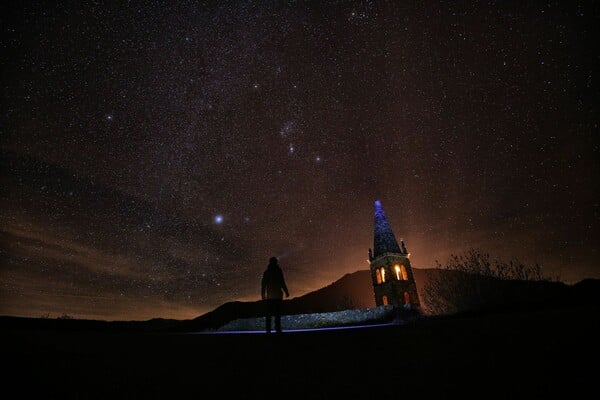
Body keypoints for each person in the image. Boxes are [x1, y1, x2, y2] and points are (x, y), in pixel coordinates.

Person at [261, 256, 289, 333]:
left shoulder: (266, 272)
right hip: (277, 295)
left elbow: (263, 285)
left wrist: (263, 296)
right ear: (276, 262)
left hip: (270, 296)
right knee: (277, 314)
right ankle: (278, 329)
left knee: (269, 314)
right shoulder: (278, 271)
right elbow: (282, 282)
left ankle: (268, 330)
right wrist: (286, 291)